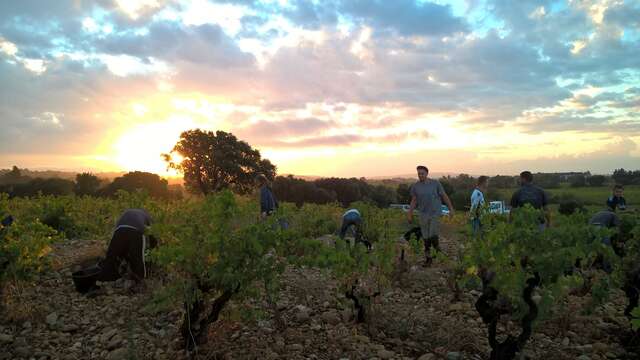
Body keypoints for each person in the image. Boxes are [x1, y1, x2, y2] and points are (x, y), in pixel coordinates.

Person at [72, 209, 156, 294]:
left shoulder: (128, 212)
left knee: (110, 258)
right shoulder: (147, 217)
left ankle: (99, 282)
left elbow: (121, 241)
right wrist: (153, 248)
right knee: (138, 259)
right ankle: (140, 282)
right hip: (136, 231)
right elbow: (152, 234)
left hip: (119, 231)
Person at [407, 165, 455, 266]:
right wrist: (410, 213)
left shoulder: (435, 183)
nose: (420, 175)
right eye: (419, 174)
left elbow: (444, 196)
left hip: (435, 213)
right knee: (426, 238)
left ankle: (437, 250)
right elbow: (414, 200)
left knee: (432, 234)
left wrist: (450, 208)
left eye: (422, 173)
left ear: (427, 173)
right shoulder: (415, 186)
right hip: (423, 214)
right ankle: (429, 258)